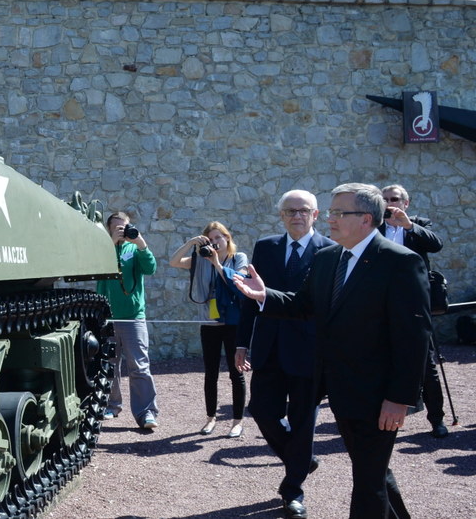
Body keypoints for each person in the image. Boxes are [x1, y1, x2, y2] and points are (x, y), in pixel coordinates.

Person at [234, 183, 431, 519]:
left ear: (366, 219)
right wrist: (264, 295)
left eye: (340, 213)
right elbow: (303, 305)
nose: (330, 219)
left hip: (378, 395)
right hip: (340, 390)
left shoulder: (399, 262)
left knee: (368, 482)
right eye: (332, 211)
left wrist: (400, 397)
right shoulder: (328, 259)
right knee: (374, 472)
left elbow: (414, 337)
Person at [234, 190, 334, 519]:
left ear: (315, 214)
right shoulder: (266, 247)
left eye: (303, 210)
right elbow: (251, 297)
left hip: (309, 350)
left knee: (304, 421)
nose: (296, 216)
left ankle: (293, 491)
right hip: (269, 348)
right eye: (290, 211)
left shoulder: (330, 252)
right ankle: (301, 459)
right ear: (281, 216)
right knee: (261, 410)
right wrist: (241, 343)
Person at [379, 184, 448, 438]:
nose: (389, 203)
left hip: (415, 304)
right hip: (380, 303)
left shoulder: (418, 223)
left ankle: (437, 419)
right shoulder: (374, 225)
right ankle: (386, 416)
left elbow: (436, 244)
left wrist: (408, 225)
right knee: (380, 358)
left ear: (405, 203)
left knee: (426, 363)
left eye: (394, 199)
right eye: (384, 199)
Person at [170, 221, 249, 438]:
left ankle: (237, 421)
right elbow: (174, 262)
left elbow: (239, 282)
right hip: (209, 322)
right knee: (210, 373)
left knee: (236, 373)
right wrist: (191, 243)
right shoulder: (200, 260)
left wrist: (217, 263)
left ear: (227, 238)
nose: (214, 243)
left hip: (233, 323)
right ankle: (210, 418)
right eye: (210, 239)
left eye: (218, 238)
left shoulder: (238, 258)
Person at [98, 211, 160, 429]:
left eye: (124, 227)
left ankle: (146, 413)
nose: (121, 231)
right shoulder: (101, 249)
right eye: (116, 228)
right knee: (109, 365)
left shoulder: (134, 248)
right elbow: (96, 271)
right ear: (108, 230)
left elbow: (150, 268)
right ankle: (111, 406)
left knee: (140, 366)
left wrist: (141, 243)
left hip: (133, 318)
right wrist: (109, 245)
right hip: (108, 317)